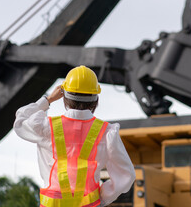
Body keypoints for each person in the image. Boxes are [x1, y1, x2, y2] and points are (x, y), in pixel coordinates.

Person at [13, 65, 136, 207]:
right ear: (95, 99)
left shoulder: (46, 127)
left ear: (64, 97)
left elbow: (20, 120)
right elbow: (127, 175)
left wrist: (48, 100)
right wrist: (102, 198)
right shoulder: (107, 132)